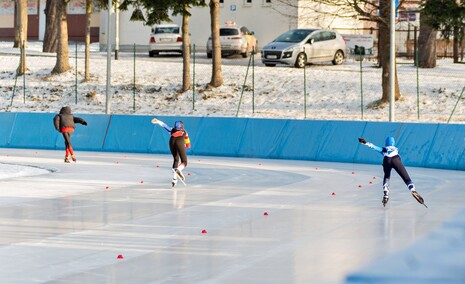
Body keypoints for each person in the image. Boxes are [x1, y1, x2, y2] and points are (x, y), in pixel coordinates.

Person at [358, 136, 426, 207]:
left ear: (386, 143)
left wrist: (365, 143)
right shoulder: (396, 149)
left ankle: (386, 195)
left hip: (387, 160)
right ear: (393, 143)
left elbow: (374, 147)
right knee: (406, 178)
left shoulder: (384, 149)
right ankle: (412, 190)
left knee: (386, 176)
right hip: (396, 160)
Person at [152, 118, 191, 188]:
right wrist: (183, 145)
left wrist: (157, 121)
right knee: (184, 162)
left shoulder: (172, 129)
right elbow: (188, 145)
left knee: (176, 159)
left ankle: (174, 180)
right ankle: (179, 170)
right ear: (182, 126)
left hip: (171, 142)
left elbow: (164, 125)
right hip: (180, 142)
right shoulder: (185, 132)